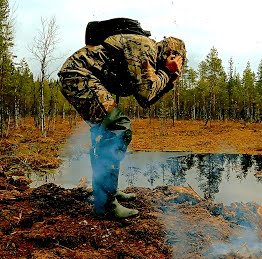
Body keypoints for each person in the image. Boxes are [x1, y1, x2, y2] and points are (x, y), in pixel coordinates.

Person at [58, 31, 186, 219]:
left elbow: (145, 101)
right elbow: (146, 93)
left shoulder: (150, 57)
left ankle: (108, 191)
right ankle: (106, 205)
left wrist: (169, 80)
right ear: (170, 54)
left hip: (83, 78)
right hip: (78, 76)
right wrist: (166, 71)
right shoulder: (145, 48)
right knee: (118, 127)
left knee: (105, 134)